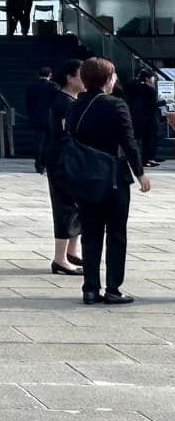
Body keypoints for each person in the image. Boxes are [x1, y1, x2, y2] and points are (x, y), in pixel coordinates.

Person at [68, 57, 151, 305]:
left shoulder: (75, 106)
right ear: (107, 79)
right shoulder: (116, 106)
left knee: (90, 234)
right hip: (113, 178)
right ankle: (113, 288)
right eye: (113, 75)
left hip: (84, 178)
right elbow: (128, 142)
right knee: (116, 234)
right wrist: (140, 173)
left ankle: (90, 288)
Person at [41, 59, 85, 275]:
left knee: (76, 207)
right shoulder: (64, 102)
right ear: (70, 77)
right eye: (81, 75)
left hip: (69, 160)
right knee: (65, 207)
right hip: (63, 161)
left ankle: (71, 251)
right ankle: (60, 258)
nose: (85, 80)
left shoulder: (71, 100)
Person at [124, 69, 162, 167]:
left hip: (133, 117)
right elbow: (152, 105)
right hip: (148, 118)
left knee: (133, 139)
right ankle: (148, 159)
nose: (153, 80)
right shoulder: (150, 89)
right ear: (147, 78)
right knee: (149, 140)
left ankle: (135, 159)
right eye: (152, 78)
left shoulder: (130, 86)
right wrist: (165, 102)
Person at [25, 67, 58, 174]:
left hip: (36, 118)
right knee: (49, 142)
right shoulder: (53, 86)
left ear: (38, 74)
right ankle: (46, 163)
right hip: (50, 118)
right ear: (50, 75)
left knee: (38, 142)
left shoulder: (32, 86)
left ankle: (38, 164)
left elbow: (28, 103)